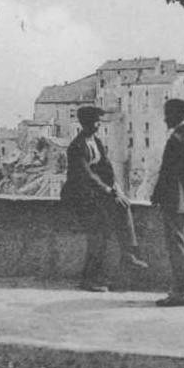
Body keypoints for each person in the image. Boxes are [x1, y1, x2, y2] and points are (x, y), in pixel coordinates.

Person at [62, 106, 148, 291]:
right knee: (98, 234)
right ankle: (89, 280)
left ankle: (128, 254)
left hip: (95, 193)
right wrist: (109, 191)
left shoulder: (97, 142)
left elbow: (106, 168)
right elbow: (87, 176)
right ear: (86, 123)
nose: (98, 124)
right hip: (80, 196)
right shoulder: (76, 147)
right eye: (95, 121)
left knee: (123, 206)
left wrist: (116, 188)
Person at [151, 98, 184, 307]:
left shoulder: (176, 139)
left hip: (174, 199)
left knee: (177, 245)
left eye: (167, 114)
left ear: (175, 115)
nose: (164, 119)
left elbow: (167, 172)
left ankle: (181, 291)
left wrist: (156, 195)